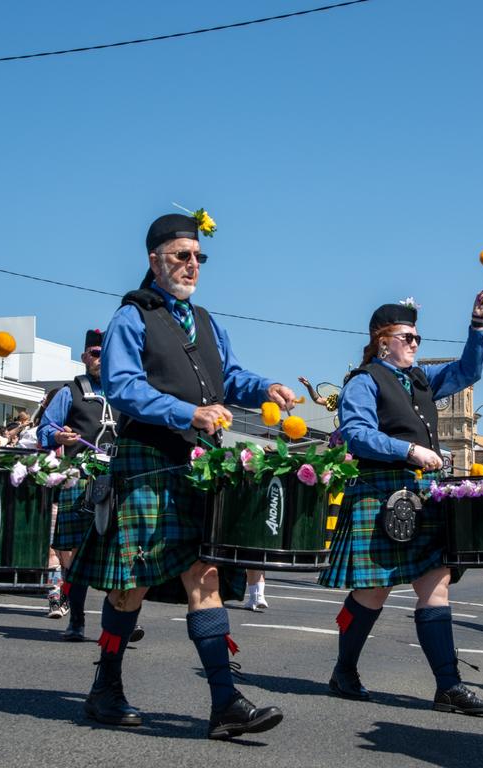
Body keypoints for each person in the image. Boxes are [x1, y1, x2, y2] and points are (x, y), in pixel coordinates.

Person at [67, 211, 295, 739]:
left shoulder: (208, 322)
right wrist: (185, 412)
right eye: (180, 256)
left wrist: (265, 388)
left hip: (198, 465)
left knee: (206, 575)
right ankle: (106, 687)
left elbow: (228, 376)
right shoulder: (132, 317)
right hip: (149, 458)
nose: (191, 265)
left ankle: (225, 702)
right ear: (155, 260)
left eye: (197, 257)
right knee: (132, 585)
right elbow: (121, 386)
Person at [319, 292, 483, 716]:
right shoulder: (363, 381)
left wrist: (477, 324)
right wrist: (409, 451)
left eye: (419, 337)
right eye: (409, 337)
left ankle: (448, 686)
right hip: (381, 491)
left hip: (423, 494)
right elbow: (358, 433)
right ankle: (344, 670)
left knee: (435, 584)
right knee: (373, 593)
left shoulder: (421, 381)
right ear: (384, 341)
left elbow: (468, 370)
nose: (416, 343)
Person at [38, 329, 143, 644]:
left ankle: (122, 618)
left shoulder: (127, 393)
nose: (100, 359)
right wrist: (58, 436)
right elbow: (47, 428)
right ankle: (78, 622)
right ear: (85, 356)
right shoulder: (70, 392)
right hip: (79, 476)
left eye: (105, 353)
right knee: (76, 555)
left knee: (123, 552)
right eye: (95, 353)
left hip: (118, 478)